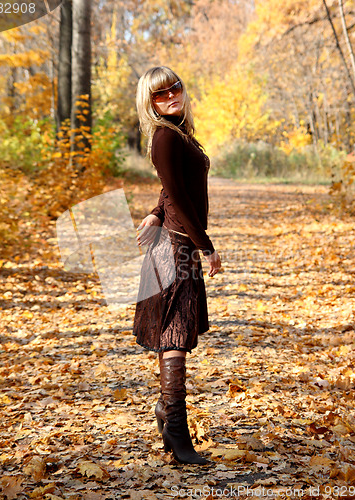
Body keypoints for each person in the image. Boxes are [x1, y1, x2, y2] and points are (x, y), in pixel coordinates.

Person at [133, 66, 221, 465]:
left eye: (175, 87)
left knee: (173, 334)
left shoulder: (177, 133)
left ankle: (168, 419)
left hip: (173, 242)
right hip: (176, 249)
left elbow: (172, 190)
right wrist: (207, 246)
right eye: (159, 94)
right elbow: (182, 200)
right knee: (175, 337)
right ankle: (177, 431)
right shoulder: (165, 136)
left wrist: (153, 211)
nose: (170, 96)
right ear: (149, 102)